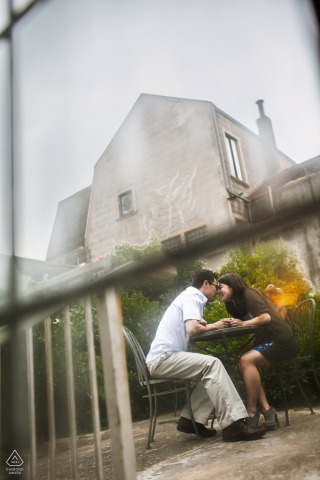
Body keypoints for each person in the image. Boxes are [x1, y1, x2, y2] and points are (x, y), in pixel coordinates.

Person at [146, 269, 266, 442]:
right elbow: (193, 329)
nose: (218, 291)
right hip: (163, 358)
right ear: (206, 284)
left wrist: (205, 324)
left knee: (212, 370)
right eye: (216, 286)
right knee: (213, 365)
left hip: (164, 357)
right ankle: (234, 426)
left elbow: (192, 326)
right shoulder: (192, 296)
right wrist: (215, 325)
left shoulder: (189, 297)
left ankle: (190, 420)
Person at [218, 273, 296, 430]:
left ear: (232, 286)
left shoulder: (248, 293)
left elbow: (266, 317)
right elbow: (245, 322)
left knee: (246, 361)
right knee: (243, 364)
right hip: (268, 341)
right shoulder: (233, 303)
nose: (217, 291)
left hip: (280, 339)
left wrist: (243, 323)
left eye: (220, 287)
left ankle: (252, 411)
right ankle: (268, 411)